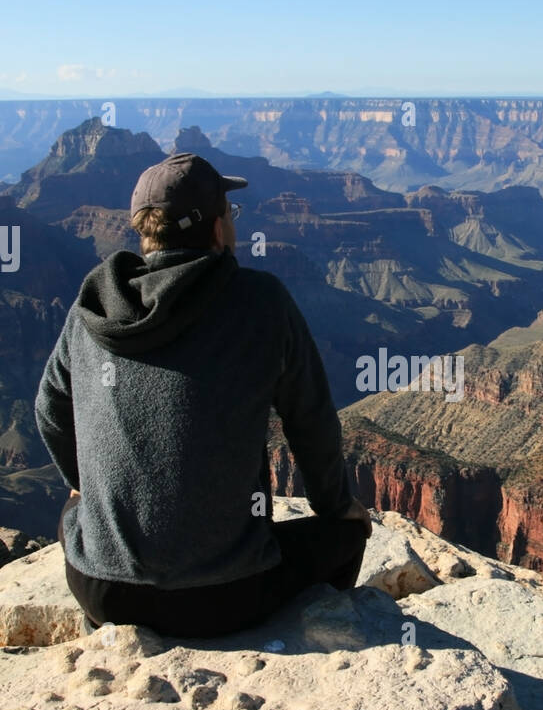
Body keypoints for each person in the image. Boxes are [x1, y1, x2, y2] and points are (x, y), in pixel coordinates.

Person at [34, 152, 370, 639]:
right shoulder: (260, 300)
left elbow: (49, 412)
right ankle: (312, 640)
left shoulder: (92, 307)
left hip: (101, 591)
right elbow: (310, 420)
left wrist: (84, 482)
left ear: (144, 232)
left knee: (73, 514)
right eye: (230, 215)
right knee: (346, 535)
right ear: (217, 229)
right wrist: (336, 504)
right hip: (225, 597)